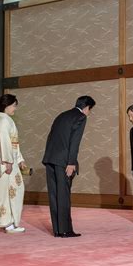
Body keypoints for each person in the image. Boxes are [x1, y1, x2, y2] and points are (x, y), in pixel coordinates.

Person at [42, 95, 96, 238]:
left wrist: (48, 158)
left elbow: (50, 137)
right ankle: (66, 230)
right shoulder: (81, 117)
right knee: (64, 195)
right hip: (64, 162)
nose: (89, 113)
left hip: (50, 159)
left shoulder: (61, 115)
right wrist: (71, 163)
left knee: (54, 196)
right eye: (90, 110)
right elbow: (74, 142)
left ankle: (58, 230)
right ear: (86, 108)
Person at [0, 94, 26, 233]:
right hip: (6, 162)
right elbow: (5, 143)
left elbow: (14, 144)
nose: (15, 108)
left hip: (10, 160)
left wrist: (20, 159)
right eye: (14, 105)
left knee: (14, 190)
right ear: (6, 105)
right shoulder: (4, 121)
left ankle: (10, 222)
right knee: (8, 192)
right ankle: (8, 223)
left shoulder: (5, 120)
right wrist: (9, 162)